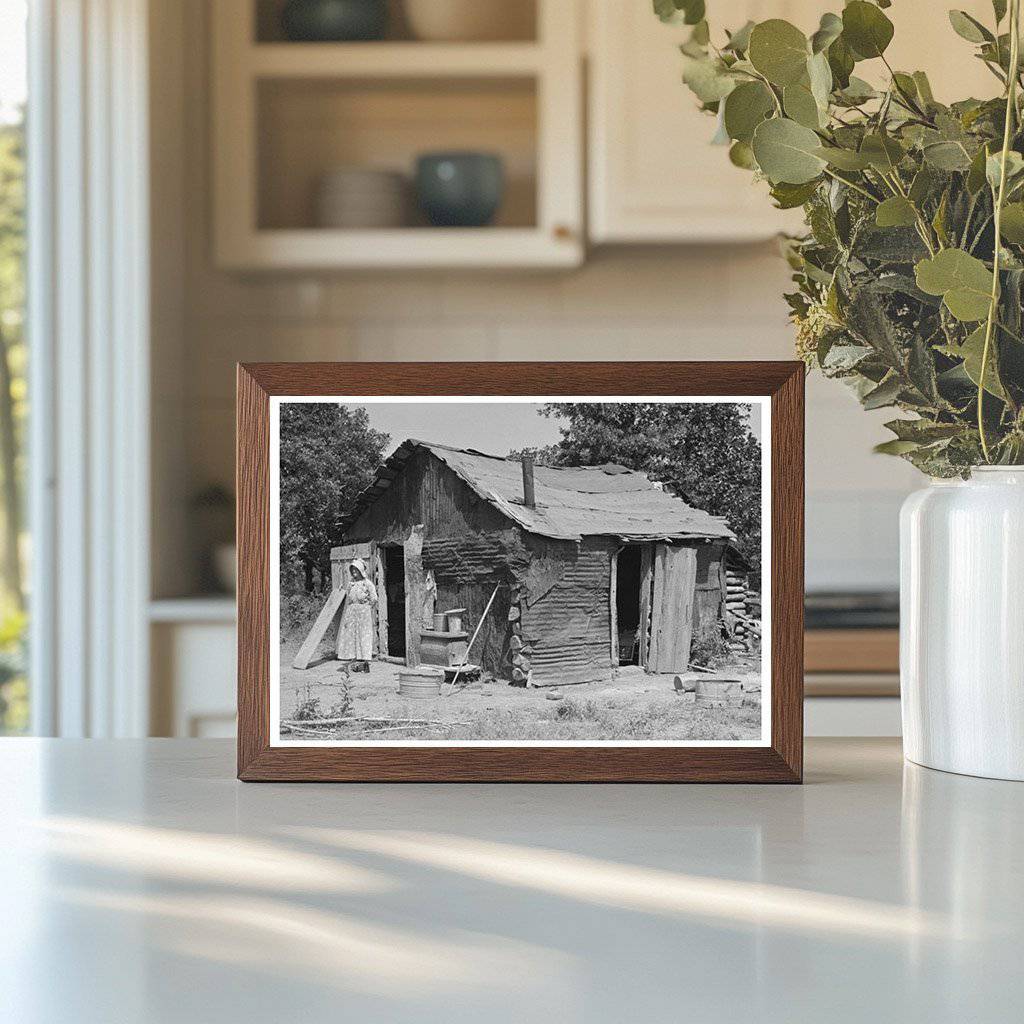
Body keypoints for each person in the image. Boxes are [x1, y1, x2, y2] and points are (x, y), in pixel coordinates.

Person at [337, 559, 377, 673]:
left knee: (363, 636)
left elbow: (374, 598)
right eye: (353, 570)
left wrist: (366, 607)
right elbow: (349, 599)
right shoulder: (351, 584)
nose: (354, 572)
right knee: (351, 636)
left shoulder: (367, 583)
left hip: (363, 612)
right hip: (352, 611)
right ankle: (354, 660)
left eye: (356, 570)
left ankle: (364, 662)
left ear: (361, 570)